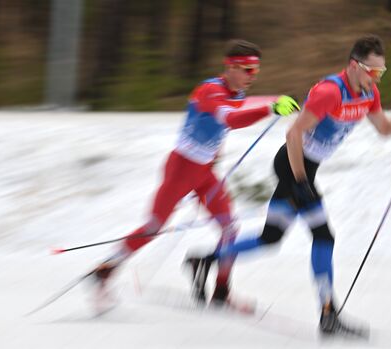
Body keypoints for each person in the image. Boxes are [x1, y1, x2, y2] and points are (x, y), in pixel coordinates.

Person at [186, 35, 391, 335]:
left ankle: (204, 259)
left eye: (380, 72)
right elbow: (293, 135)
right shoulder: (330, 92)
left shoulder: (369, 94)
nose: (376, 78)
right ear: (353, 66)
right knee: (324, 236)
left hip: (306, 170)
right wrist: (301, 181)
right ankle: (328, 313)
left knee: (271, 237)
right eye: (372, 71)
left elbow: (383, 128)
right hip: (293, 165)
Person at [92, 39, 300, 305]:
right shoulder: (209, 91)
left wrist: (277, 99)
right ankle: (104, 271)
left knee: (230, 229)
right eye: (248, 70)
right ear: (231, 67)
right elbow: (231, 119)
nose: (252, 77)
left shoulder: (234, 93)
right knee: (154, 227)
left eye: (256, 71)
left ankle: (222, 292)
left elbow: (243, 105)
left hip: (204, 173)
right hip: (181, 169)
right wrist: (271, 108)